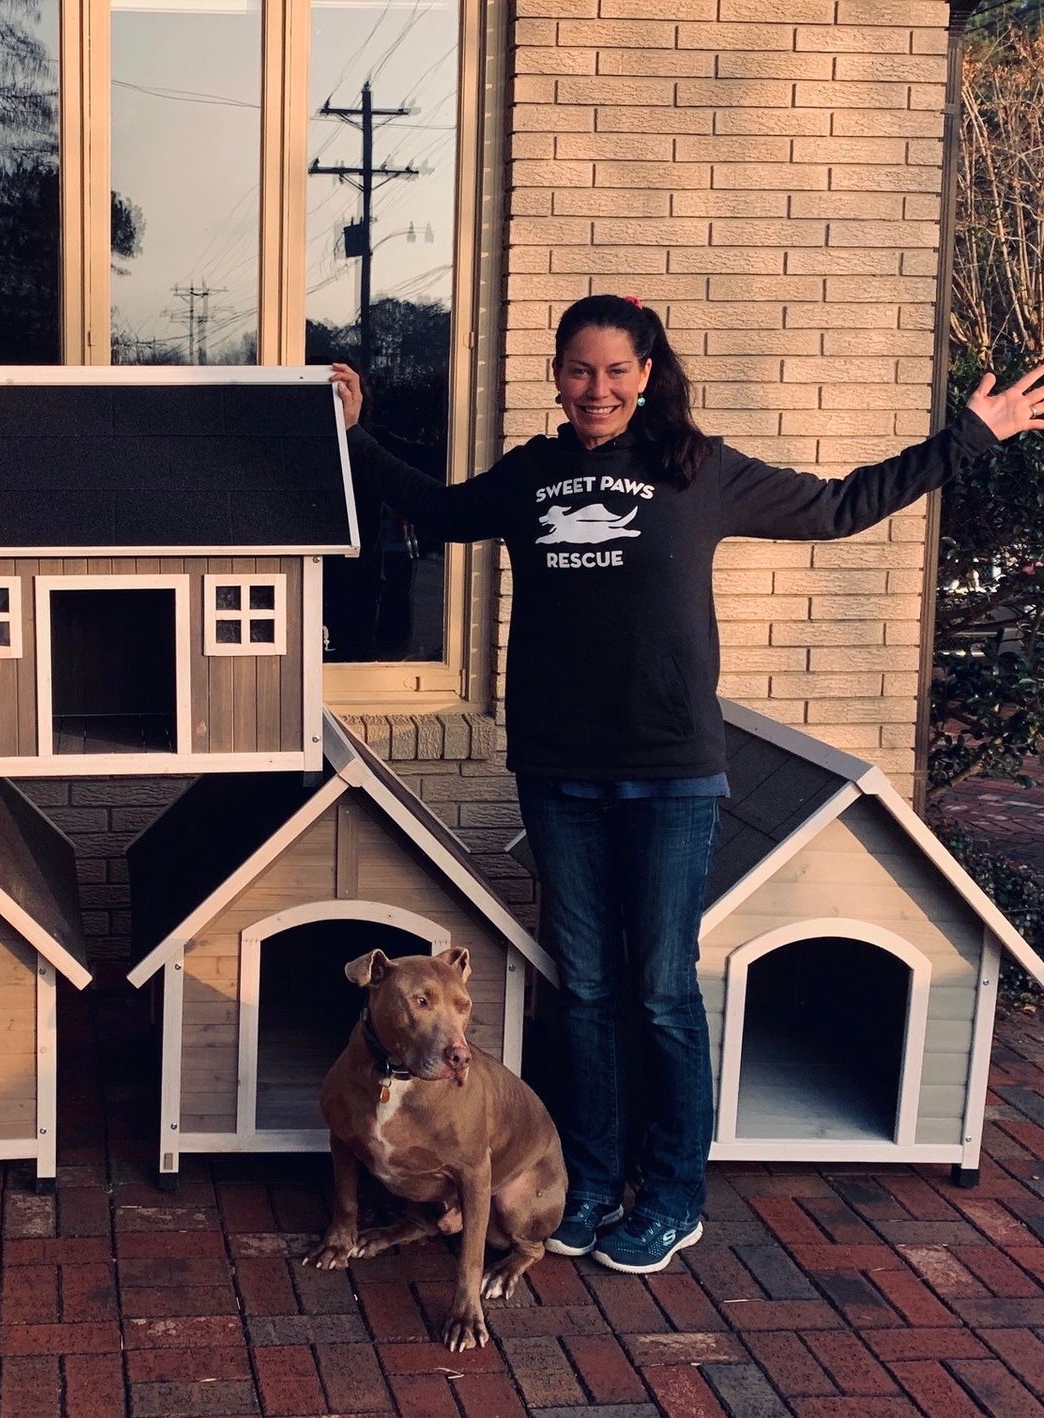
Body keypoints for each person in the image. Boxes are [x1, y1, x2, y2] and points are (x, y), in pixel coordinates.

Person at [329, 293, 1044, 1275]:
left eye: (617, 370)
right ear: (557, 376)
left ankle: (671, 1193)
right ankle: (588, 1169)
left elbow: (840, 506)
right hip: (560, 769)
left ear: (649, 374)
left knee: (660, 990)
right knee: (580, 990)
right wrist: (355, 436)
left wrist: (967, 436)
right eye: (579, 369)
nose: (597, 388)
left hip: (669, 775)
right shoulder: (533, 476)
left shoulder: (696, 470)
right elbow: (442, 512)